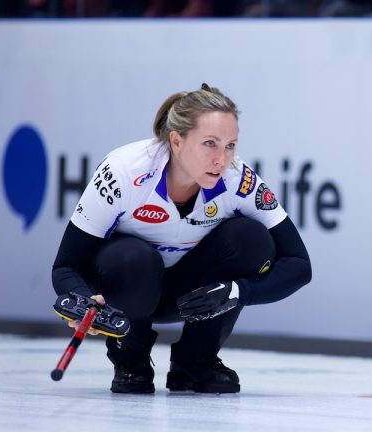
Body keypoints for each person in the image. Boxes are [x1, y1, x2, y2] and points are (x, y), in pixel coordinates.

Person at [51, 83, 312, 394]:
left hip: (191, 296)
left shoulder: (238, 181)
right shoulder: (123, 170)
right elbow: (66, 267)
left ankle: (195, 362)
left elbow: (299, 264)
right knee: (134, 257)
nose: (222, 159)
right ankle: (130, 360)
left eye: (230, 145)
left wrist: (238, 292)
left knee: (250, 238)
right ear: (176, 141)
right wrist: (84, 302)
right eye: (210, 144)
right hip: (129, 287)